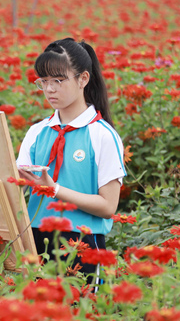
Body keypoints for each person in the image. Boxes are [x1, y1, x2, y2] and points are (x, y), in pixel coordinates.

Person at [16, 38, 126, 279]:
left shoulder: (103, 135)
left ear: (83, 79)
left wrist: (54, 189)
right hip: (35, 241)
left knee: (80, 314)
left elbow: (108, 207)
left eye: (58, 80)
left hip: (82, 243)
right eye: (43, 81)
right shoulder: (37, 132)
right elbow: (17, 188)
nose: (49, 89)